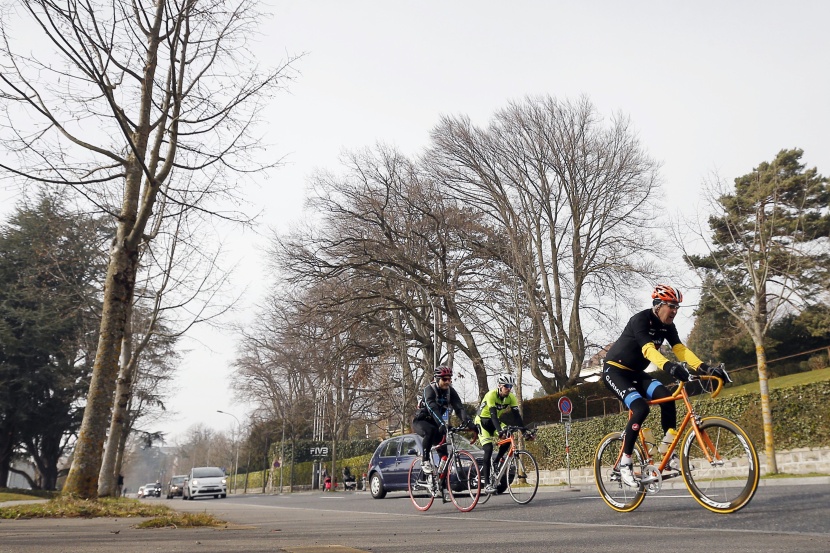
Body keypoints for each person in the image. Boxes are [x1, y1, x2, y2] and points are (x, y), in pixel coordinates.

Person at [602, 284, 730, 487]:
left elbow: (680, 349)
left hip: (637, 374)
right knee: (640, 408)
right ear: (658, 305)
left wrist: (706, 368)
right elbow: (648, 350)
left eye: (677, 307)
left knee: (668, 399)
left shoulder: (668, 327)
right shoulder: (640, 320)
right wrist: (669, 367)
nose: (675, 311)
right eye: (671, 306)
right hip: (615, 371)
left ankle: (667, 455)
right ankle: (624, 463)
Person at [411, 365, 476, 477]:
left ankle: (441, 483)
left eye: (449, 379)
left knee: (445, 456)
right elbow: (432, 408)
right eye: (444, 379)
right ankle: (425, 460)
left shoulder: (450, 392)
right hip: (421, 421)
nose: (447, 382)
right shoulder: (429, 390)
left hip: (437, 423)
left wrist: (469, 422)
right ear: (437, 379)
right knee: (430, 431)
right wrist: (442, 423)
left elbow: (459, 408)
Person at [474, 373, 526, 494]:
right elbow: (492, 415)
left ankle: (497, 461)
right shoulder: (491, 395)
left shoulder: (511, 397)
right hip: (482, 421)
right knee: (488, 448)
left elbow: (517, 416)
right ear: (500, 386)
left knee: (509, 436)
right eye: (506, 386)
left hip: (494, 421)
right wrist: (499, 431)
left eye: (510, 386)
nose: (509, 388)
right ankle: (486, 484)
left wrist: (524, 431)